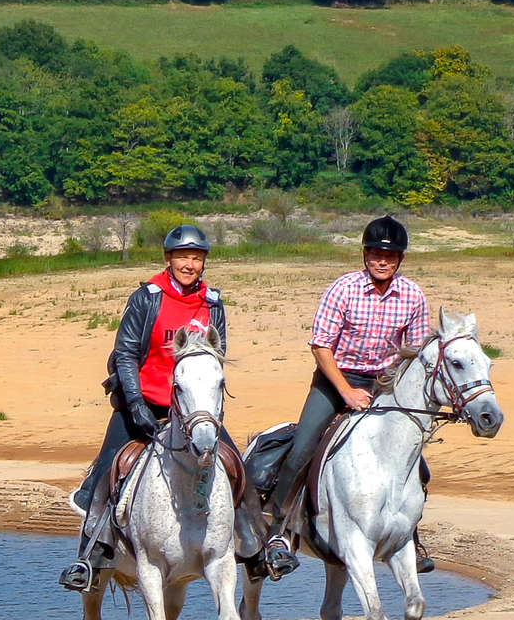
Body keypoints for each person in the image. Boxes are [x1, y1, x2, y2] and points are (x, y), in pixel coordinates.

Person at [260, 215, 431, 579]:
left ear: (400, 259)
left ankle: (410, 537)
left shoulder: (413, 296)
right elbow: (321, 346)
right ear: (364, 254)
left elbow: (413, 353)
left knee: (415, 461)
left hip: (385, 383)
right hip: (336, 377)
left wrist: (394, 390)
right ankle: (278, 532)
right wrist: (346, 391)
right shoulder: (343, 289)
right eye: (374, 253)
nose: (381, 260)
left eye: (389, 255)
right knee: (303, 446)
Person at [58, 224, 225, 592]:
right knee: (105, 472)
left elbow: (217, 359)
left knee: (235, 468)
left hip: (194, 409)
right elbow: (126, 353)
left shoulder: (212, 301)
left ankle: (255, 546)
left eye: (196, 258)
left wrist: (211, 411)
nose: (189, 264)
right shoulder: (147, 297)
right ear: (168, 259)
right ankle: (89, 557)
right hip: (146, 400)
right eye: (183, 257)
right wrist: (134, 404)